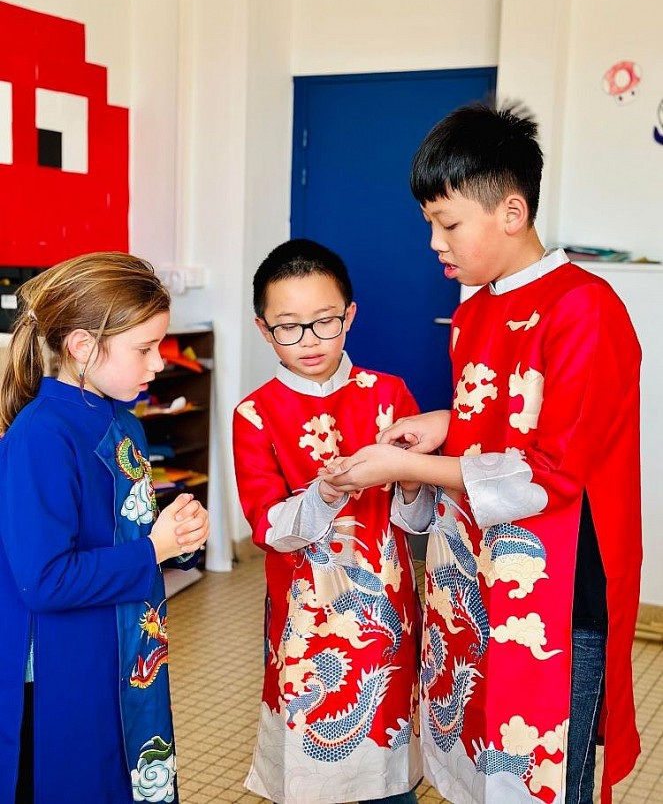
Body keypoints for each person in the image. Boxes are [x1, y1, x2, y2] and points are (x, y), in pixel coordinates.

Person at [320, 103, 642, 804]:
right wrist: (443, 421)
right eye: (429, 223)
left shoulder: (584, 308)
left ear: (511, 210)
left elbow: (551, 471)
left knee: (546, 770)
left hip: (560, 588)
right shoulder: (473, 311)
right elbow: (500, 421)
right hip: (478, 571)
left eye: (448, 223)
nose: (434, 241)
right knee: (480, 739)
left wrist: (402, 467)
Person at [0, 252, 210, 804]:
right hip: (67, 670)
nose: (159, 364)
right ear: (82, 347)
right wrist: (153, 550)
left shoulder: (123, 422)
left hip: (125, 652)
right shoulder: (41, 437)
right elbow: (45, 581)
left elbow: (134, 528)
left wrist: (179, 539)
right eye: (144, 348)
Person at [232, 239, 427, 804]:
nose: (309, 341)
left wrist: (413, 481)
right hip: (305, 619)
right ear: (264, 329)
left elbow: (414, 522)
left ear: (350, 315)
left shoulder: (389, 395)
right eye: (289, 327)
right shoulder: (256, 412)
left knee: (389, 765)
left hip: (387, 615)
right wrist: (325, 493)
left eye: (324, 322)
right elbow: (268, 526)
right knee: (310, 763)